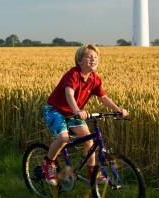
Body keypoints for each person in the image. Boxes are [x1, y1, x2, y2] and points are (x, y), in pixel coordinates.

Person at [41, 43, 128, 185]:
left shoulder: (95, 79)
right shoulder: (73, 75)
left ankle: (91, 174)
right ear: (80, 61)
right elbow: (69, 93)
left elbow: (103, 97)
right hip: (55, 110)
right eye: (89, 57)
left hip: (73, 114)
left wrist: (117, 109)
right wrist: (77, 111)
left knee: (89, 140)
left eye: (95, 57)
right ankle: (48, 163)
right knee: (63, 138)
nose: (93, 59)